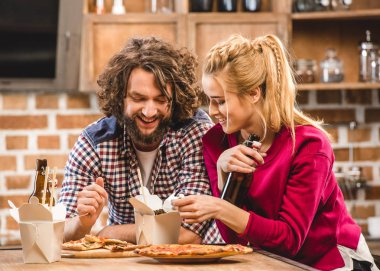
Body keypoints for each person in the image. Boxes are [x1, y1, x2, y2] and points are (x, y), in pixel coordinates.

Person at [172, 34, 379, 271]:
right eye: (208, 100)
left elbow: (290, 240)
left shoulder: (309, 145)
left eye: (220, 101)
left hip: (331, 260)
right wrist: (223, 178)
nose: (212, 111)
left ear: (253, 93)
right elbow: (235, 239)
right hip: (276, 263)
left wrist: (220, 207)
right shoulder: (216, 142)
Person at [58, 36, 222, 245]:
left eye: (160, 99)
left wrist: (108, 233)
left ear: (175, 99)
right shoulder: (94, 142)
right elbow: (61, 231)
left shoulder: (196, 133)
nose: (149, 111)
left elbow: (187, 234)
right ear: (120, 97)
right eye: (138, 98)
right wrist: (82, 223)